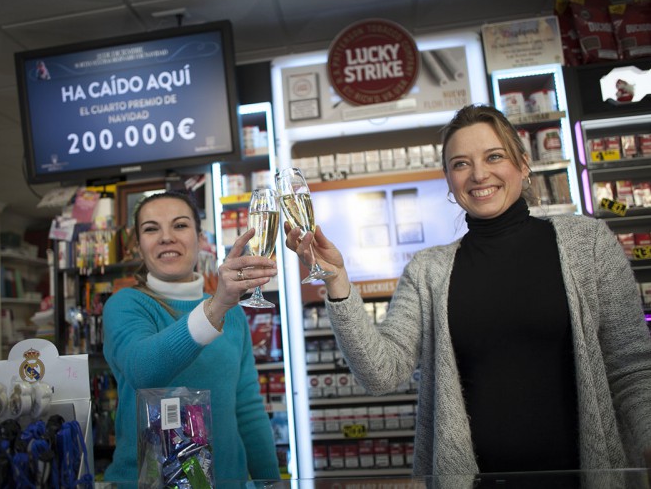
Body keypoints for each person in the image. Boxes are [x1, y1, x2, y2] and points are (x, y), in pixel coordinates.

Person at [284, 104, 651, 480]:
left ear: (523, 165)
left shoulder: (587, 245)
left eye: (494, 156)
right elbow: (381, 373)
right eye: (460, 164)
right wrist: (337, 281)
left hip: (585, 478)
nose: (478, 174)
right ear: (448, 178)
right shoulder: (429, 271)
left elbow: (632, 369)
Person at [102, 190, 280, 485]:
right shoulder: (126, 305)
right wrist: (216, 306)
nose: (166, 237)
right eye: (151, 229)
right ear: (138, 245)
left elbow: (247, 409)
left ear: (200, 239)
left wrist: (271, 482)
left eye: (180, 225)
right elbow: (142, 369)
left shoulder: (232, 314)